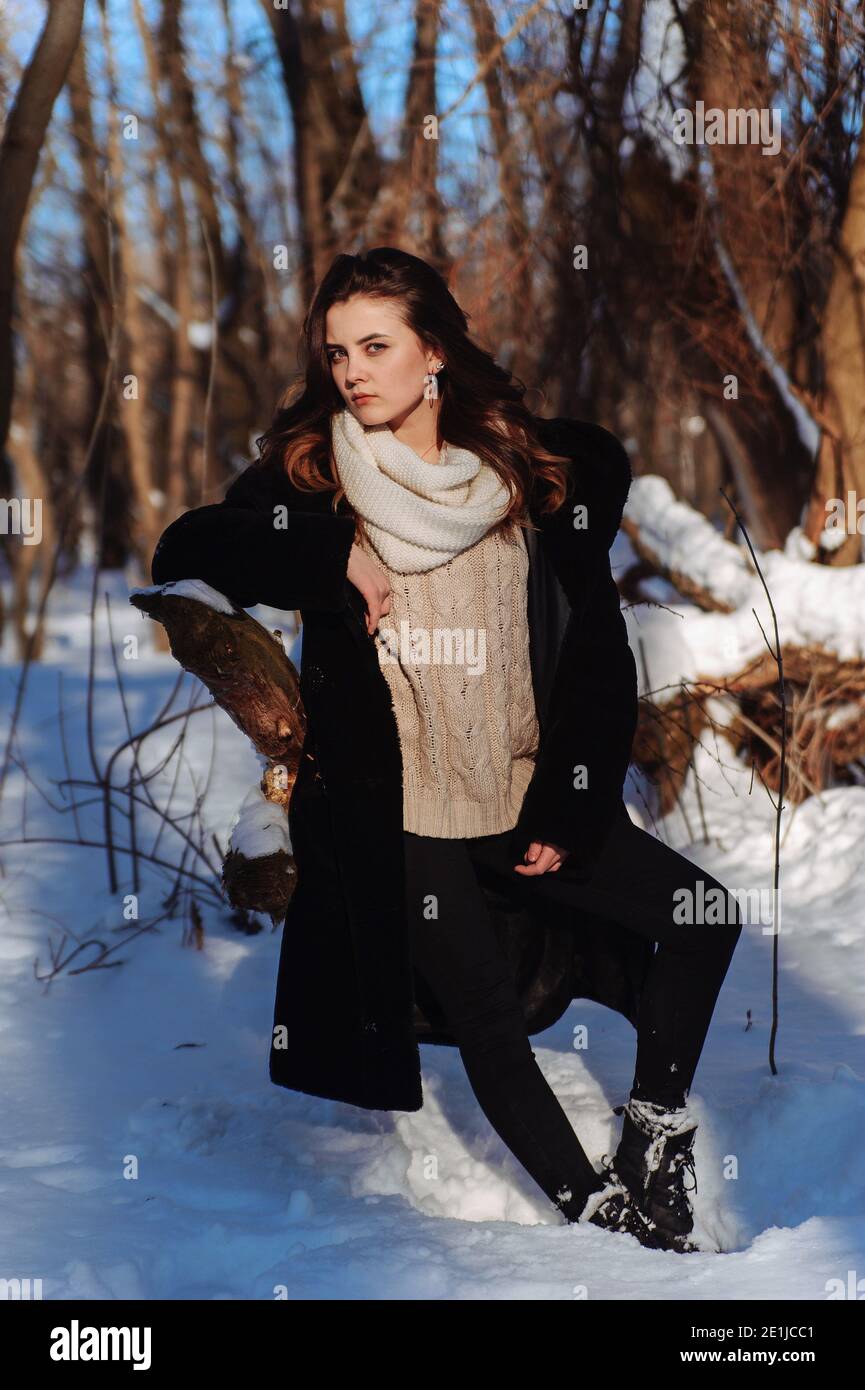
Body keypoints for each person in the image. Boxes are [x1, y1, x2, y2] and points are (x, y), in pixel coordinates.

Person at [150, 246, 742, 1253]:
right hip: (402, 810)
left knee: (703, 918)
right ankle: (601, 1221)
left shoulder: (526, 474)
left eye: (375, 345)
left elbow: (595, 654)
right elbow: (185, 550)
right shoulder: (314, 479)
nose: (350, 370)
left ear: (434, 351)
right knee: (483, 1019)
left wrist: (569, 803)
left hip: (524, 789)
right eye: (336, 351)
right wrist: (322, 551)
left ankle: (655, 1132)